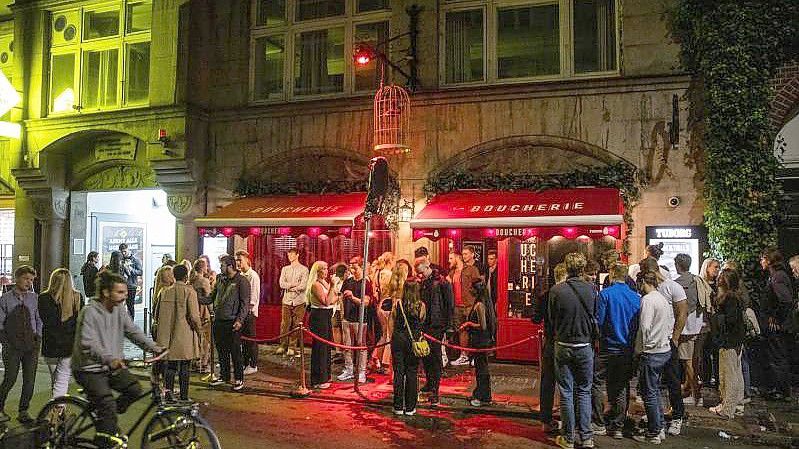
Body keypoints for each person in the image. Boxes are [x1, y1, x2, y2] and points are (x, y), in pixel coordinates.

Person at [72, 270, 164, 448]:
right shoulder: (89, 312)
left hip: (110, 367)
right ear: (106, 292)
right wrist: (110, 359)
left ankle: (106, 422)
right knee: (107, 405)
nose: (125, 296)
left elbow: (132, 331)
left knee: (134, 389)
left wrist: (154, 347)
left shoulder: (120, 310)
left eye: (125, 292)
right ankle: (105, 438)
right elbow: (87, 343)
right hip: (88, 369)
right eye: (120, 292)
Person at [548, 253, 596, 449]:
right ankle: (586, 436)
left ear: (567, 268)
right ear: (583, 268)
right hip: (584, 345)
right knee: (584, 391)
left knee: (566, 392)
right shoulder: (591, 290)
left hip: (563, 344)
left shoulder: (557, 290)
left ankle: (568, 437)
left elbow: (551, 320)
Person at [640, 256, 688, 436]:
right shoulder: (654, 288)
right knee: (656, 383)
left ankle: (677, 416)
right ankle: (657, 415)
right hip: (656, 342)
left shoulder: (672, 286)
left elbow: (682, 312)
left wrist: (675, 337)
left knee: (673, 380)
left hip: (667, 341)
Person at [593, 263, 640, 439]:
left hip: (607, 347)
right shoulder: (636, 298)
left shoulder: (605, 295)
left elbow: (599, 322)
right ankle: (618, 425)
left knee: (596, 382)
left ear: (612, 275)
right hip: (626, 349)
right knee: (621, 385)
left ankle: (598, 421)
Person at [632, 269, 674, 445]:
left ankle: (654, 432)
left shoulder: (648, 301)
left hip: (652, 352)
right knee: (656, 391)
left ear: (643, 283)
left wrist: (639, 350)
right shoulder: (663, 299)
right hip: (664, 349)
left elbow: (645, 328)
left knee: (649, 393)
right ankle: (660, 427)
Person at [0, 266, 42, 424]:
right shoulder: (5, 299)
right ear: (17, 278)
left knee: (29, 381)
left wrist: (38, 337)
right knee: (10, 379)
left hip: (31, 346)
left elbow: (39, 319)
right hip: (12, 347)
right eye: (26, 279)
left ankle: (23, 411)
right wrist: (6, 342)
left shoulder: (34, 298)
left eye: (31, 280)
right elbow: (0, 324)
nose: (29, 282)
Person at [155, 265, 201, 402]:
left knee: (170, 366)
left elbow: (156, 314)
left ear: (174, 276)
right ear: (186, 276)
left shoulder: (164, 292)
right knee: (185, 366)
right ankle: (184, 396)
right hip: (184, 334)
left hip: (167, 335)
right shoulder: (189, 292)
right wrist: (199, 332)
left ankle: (168, 394)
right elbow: (194, 316)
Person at [38, 268, 83, 401]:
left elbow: (45, 321)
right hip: (69, 346)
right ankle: (57, 410)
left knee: (55, 380)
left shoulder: (43, 298)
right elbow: (80, 322)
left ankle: (56, 411)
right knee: (61, 381)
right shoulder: (77, 297)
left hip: (51, 345)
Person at [206, 255, 249, 391]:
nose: (220, 268)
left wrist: (239, 320)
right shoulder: (220, 279)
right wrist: (196, 296)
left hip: (232, 322)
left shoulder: (241, 281)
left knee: (235, 352)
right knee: (221, 351)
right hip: (219, 320)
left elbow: (245, 303)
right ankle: (224, 376)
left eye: (222, 265)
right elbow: (211, 297)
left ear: (230, 266)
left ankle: (238, 378)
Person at [533, 262, 567, 434]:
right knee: (567, 384)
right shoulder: (571, 294)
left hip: (550, 341)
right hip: (567, 341)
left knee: (547, 382)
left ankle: (546, 420)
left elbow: (535, 318)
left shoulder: (546, 295)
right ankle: (568, 421)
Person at [415, 256, 453, 406]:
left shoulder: (442, 282)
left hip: (436, 324)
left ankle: (435, 388)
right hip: (426, 323)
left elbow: (449, 305)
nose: (420, 275)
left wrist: (448, 326)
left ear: (427, 267)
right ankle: (430, 383)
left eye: (421, 272)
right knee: (426, 356)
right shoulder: (424, 283)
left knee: (435, 358)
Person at [709, 269, 746, 418]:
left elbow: (729, 320)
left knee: (728, 374)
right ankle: (734, 404)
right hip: (736, 340)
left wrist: (717, 317)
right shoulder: (736, 297)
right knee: (736, 373)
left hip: (728, 341)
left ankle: (728, 408)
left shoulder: (729, 298)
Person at [760, 247, 795, 401]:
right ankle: (781, 389)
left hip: (778, 326)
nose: (761, 262)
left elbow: (785, 301)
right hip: (780, 324)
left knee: (778, 356)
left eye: (762, 259)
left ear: (769, 260)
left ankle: (782, 390)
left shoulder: (778, 277)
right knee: (778, 356)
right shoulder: (778, 275)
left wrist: (776, 318)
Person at [673, 253, 706, 406]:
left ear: (677, 265)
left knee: (687, 361)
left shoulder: (677, 283)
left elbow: (680, 309)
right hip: (702, 325)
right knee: (696, 359)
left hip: (687, 327)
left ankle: (696, 395)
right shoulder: (697, 279)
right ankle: (688, 387)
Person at [390, 280, 426, 415]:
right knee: (412, 372)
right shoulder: (421, 306)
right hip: (414, 341)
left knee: (399, 372)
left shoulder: (397, 303)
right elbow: (422, 320)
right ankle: (410, 407)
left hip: (399, 339)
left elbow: (392, 321)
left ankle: (398, 406)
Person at [339, 256, 373, 384]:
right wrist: (342, 314)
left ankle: (361, 371)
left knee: (361, 346)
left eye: (355, 265)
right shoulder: (348, 281)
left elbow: (366, 302)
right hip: (347, 318)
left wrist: (352, 297)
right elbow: (341, 298)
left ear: (361, 266)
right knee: (346, 346)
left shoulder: (366, 283)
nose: (352, 268)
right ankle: (348, 369)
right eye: (350, 265)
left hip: (360, 319)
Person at [461, 280, 493, 407]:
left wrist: (469, 324)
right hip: (479, 340)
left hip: (481, 341)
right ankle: (482, 394)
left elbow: (483, 325)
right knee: (480, 368)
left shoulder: (480, 305)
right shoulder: (480, 303)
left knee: (482, 369)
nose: (469, 290)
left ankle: (483, 395)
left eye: (471, 288)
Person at [306, 261, 337, 389]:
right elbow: (327, 301)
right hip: (319, 317)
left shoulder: (325, 283)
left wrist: (332, 292)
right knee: (320, 348)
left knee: (326, 347)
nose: (326, 271)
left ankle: (326, 375)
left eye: (326, 268)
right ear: (317, 271)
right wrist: (332, 287)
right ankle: (318, 379)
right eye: (323, 269)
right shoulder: (316, 285)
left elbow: (334, 298)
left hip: (326, 316)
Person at [449, 251, 480, 366]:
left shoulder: (471, 269)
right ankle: (464, 355)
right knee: (461, 330)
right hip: (457, 306)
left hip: (469, 305)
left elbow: (478, 286)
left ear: (457, 258)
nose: (449, 261)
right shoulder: (452, 272)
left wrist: (475, 300)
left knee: (473, 330)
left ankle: (474, 356)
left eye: (451, 258)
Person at [277, 248, 309, 357]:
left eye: (291, 254)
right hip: (286, 300)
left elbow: (303, 286)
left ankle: (292, 346)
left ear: (297, 255)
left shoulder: (304, 269)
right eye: (288, 254)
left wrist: (290, 286)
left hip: (299, 301)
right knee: (285, 324)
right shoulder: (285, 269)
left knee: (296, 324)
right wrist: (293, 285)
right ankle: (283, 345)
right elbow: (281, 283)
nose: (289, 256)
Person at [235, 250, 261, 375]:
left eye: (240, 260)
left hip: (249, 313)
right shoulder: (240, 275)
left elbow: (253, 298)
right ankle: (245, 362)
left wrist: (244, 311)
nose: (238, 263)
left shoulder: (253, 276)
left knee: (250, 339)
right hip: (241, 312)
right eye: (237, 260)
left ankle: (253, 363)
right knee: (243, 340)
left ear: (247, 259)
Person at [191, 259, 213, 375]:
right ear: (203, 268)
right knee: (206, 339)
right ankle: (204, 363)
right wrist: (212, 312)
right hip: (203, 312)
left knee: (197, 338)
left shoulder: (192, 280)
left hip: (194, 311)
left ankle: (196, 361)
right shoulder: (204, 281)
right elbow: (208, 298)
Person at [118, 243, 143, 319]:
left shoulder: (135, 260)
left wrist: (131, 270)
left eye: (125, 251)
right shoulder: (120, 260)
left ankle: (131, 322)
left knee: (130, 305)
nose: (123, 253)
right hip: (121, 285)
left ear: (128, 249)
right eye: (122, 252)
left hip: (131, 285)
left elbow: (140, 272)